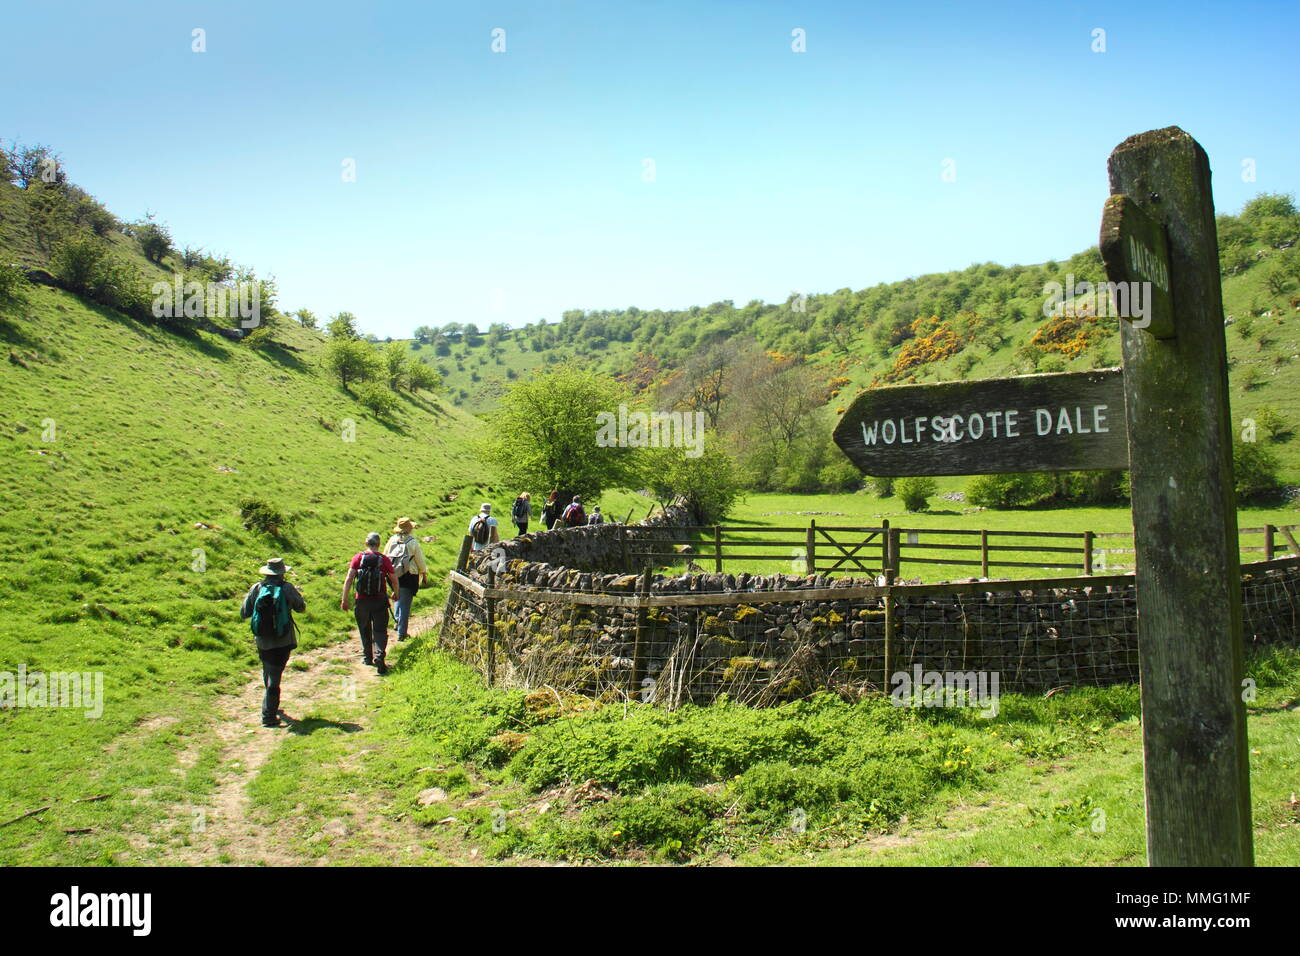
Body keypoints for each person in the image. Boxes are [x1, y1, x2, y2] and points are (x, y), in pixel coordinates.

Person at [240, 557, 306, 728]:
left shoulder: (257, 588)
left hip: (262, 639)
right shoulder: (287, 588)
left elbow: (244, 612)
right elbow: (301, 608)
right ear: (282, 572)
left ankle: (271, 706)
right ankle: (268, 715)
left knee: (268, 669)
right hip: (283, 639)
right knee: (275, 676)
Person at [341, 532, 399, 674]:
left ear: (366, 544)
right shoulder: (383, 560)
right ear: (379, 544)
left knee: (364, 628)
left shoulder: (358, 558)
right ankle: (379, 656)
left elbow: (349, 579)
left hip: (361, 600)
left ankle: (367, 657)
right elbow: (393, 578)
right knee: (380, 630)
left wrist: (344, 599)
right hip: (379, 600)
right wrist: (396, 593)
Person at [384, 517, 428, 642]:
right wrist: (423, 572)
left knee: (398, 597)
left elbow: (386, 555)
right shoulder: (412, 542)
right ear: (409, 529)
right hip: (409, 574)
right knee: (405, 604)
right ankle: (402, 633)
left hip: (393, 574)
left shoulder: (392, 540)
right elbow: (419, 559)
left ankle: (398, 623)